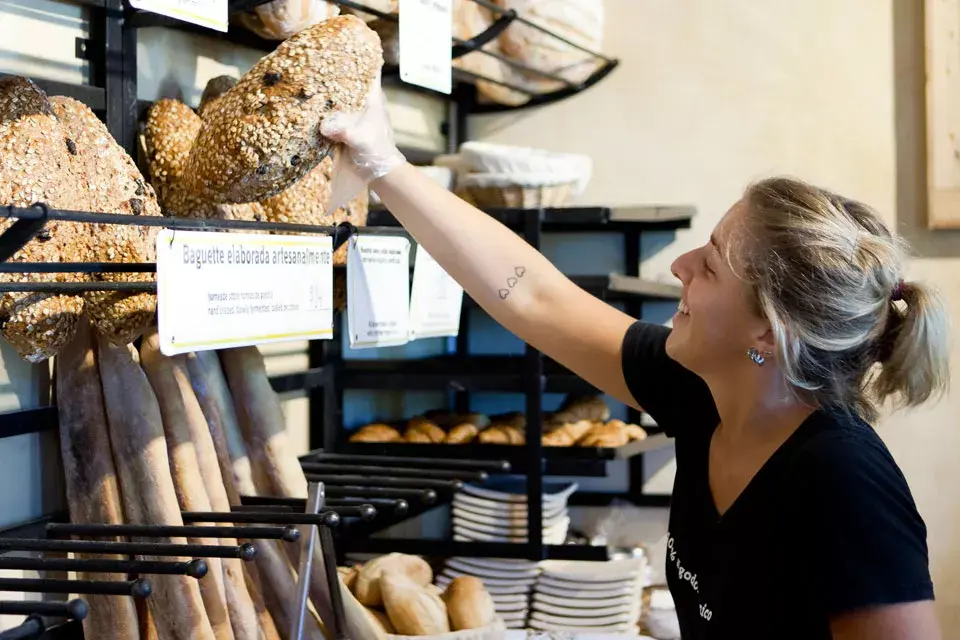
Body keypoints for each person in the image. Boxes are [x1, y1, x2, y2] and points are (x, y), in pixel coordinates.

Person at [320, 81, 949, 639]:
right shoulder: (710, 395)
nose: (680, 265)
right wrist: (385, 163)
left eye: (710, 265)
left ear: (768, 331)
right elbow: (534, 297)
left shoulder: (844, 482)